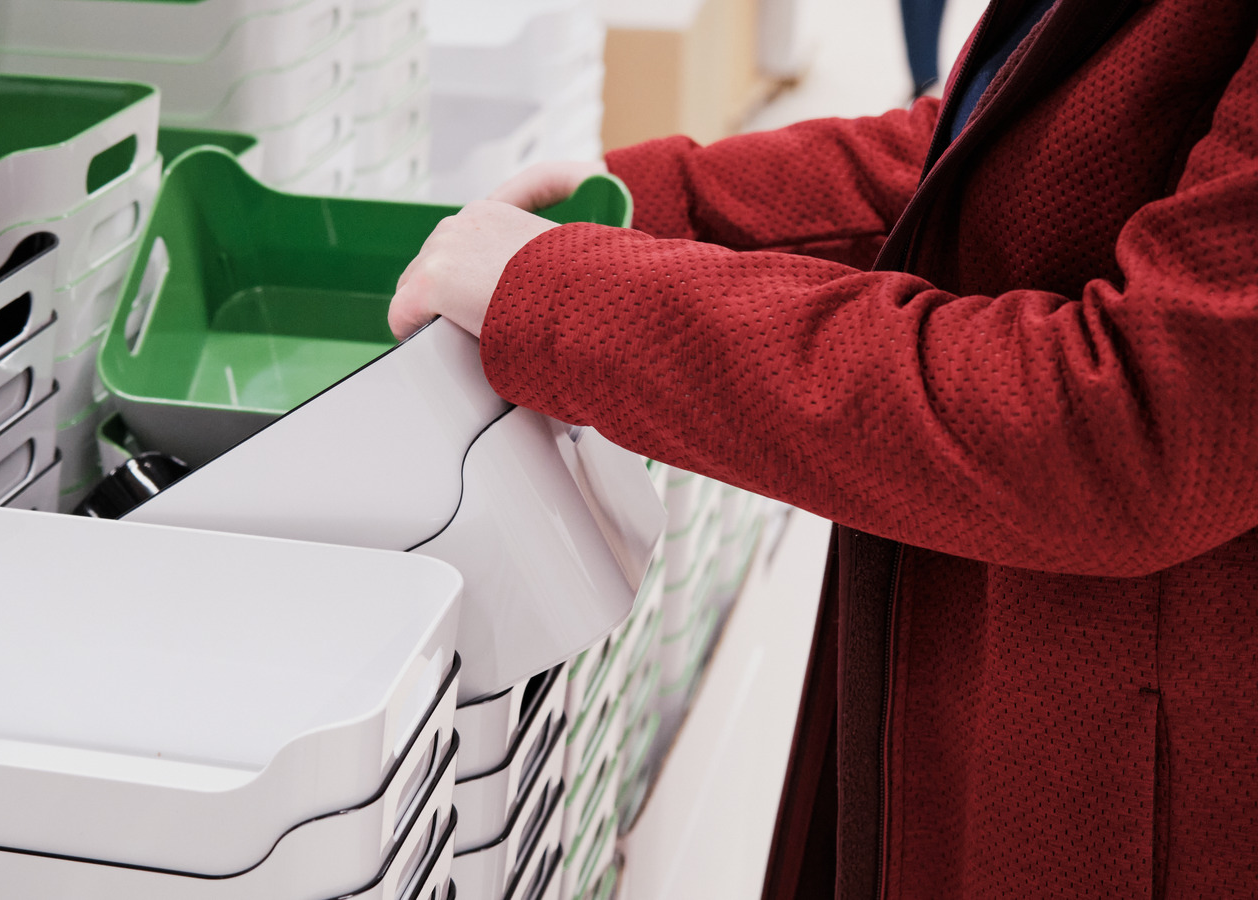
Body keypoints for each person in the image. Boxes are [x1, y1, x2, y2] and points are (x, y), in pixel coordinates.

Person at [388, 0, 1258, 896]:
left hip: (1130, 791)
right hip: (986, 687)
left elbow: (1130, 426)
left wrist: (575, 298)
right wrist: (650, 206)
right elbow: (1004, 153)